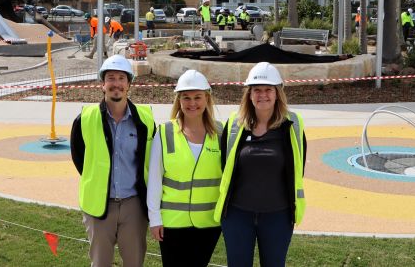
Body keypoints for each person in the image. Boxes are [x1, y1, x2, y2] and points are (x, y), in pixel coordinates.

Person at [214, 62, 306, 267]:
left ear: (277, 93)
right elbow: (225, 165)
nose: (262, 95)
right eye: (257, 90)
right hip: (237, 216)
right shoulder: (235, 124)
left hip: (278, 217)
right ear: (249, 93)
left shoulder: (293, 124)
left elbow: (298, 168)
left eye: (268, 90)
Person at [70, 55, 156, 267]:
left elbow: (151, 161)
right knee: (100, 263)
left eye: (121, 78)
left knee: (134, 262)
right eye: (110, 78)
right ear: (103, 84)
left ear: (129, 84)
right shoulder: (85, 119)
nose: (116, 83)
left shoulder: (145, 120)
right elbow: (79, 157)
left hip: (134, 206)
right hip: (99, 207)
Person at [147, 70, 222, 267]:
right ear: (179, 101)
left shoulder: (221, 133)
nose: (192, 103)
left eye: (198, 97)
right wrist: (154, 218)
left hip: (209, 222)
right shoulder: (165, 132)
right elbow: (155, 179)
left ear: (207, 99)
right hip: (172, 223)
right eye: (186, 98)